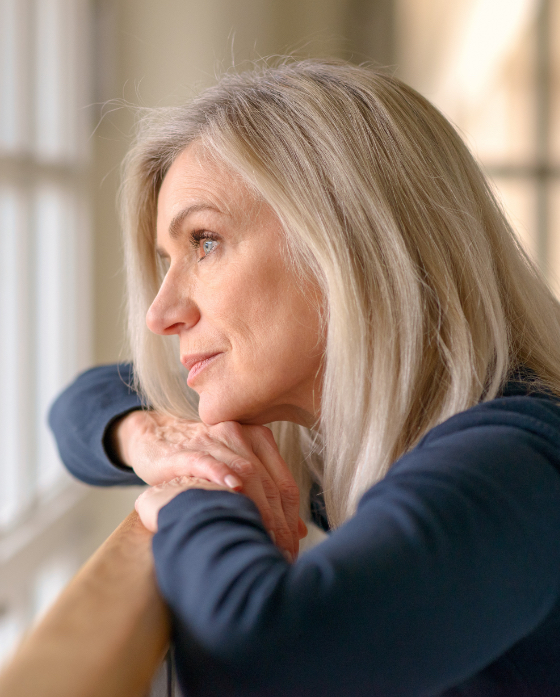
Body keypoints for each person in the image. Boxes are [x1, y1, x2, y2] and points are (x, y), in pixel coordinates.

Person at [49, 59, 560, 696]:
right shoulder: (374, 426)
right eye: (165, 261)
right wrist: (148, 438)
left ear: (346, 240)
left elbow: (267, 647)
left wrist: (199, 494)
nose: (161, 313)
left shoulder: (516, 462)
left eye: (204, 241)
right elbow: (79, 406)